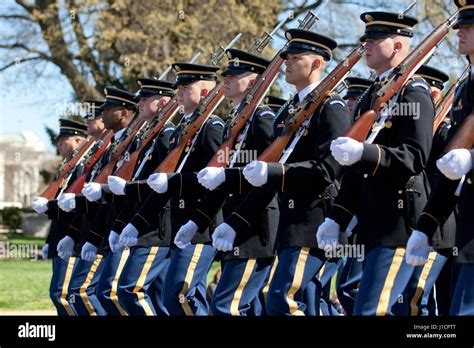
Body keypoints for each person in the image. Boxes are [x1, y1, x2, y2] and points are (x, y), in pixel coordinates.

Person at [318, 11, 435, 316]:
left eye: (374, 39)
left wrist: (366, 153)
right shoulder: (374, 93)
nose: (366, 45)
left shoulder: (414, 91)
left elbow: (416, 155)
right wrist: (337, 217)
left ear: (398, 46)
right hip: (372, 225)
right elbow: (357, 173)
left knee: (371, 311)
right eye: (365, 40)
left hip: (398, 225)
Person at [405, 0, 474, 316]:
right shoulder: (465, 90)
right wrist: (426, 225)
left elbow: (464, 159)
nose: (460, 30)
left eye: (470, 25)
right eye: (461, 23)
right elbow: (451, 167)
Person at [32, 118, 88, 315]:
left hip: (72, 238)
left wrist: (50, 205)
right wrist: (50, 240)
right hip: (60, 237)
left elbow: (76, 207)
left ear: (79, 141)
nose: (59, 144)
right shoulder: (68, 169)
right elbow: (59, 210)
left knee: (62, 293)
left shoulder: (83, 168)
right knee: (59, 294)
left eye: (64, 139)